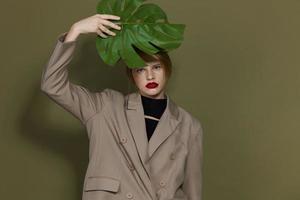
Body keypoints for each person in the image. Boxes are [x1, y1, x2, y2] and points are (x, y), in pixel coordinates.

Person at [40, 14, 203, 200]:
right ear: (132, 75)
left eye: (156, 67)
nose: (150, 76)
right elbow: (51, 85)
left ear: (167, 69)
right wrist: (75, 30)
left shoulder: (189, 126)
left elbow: (193, 194)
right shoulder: (105, 107)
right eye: (140, 69)